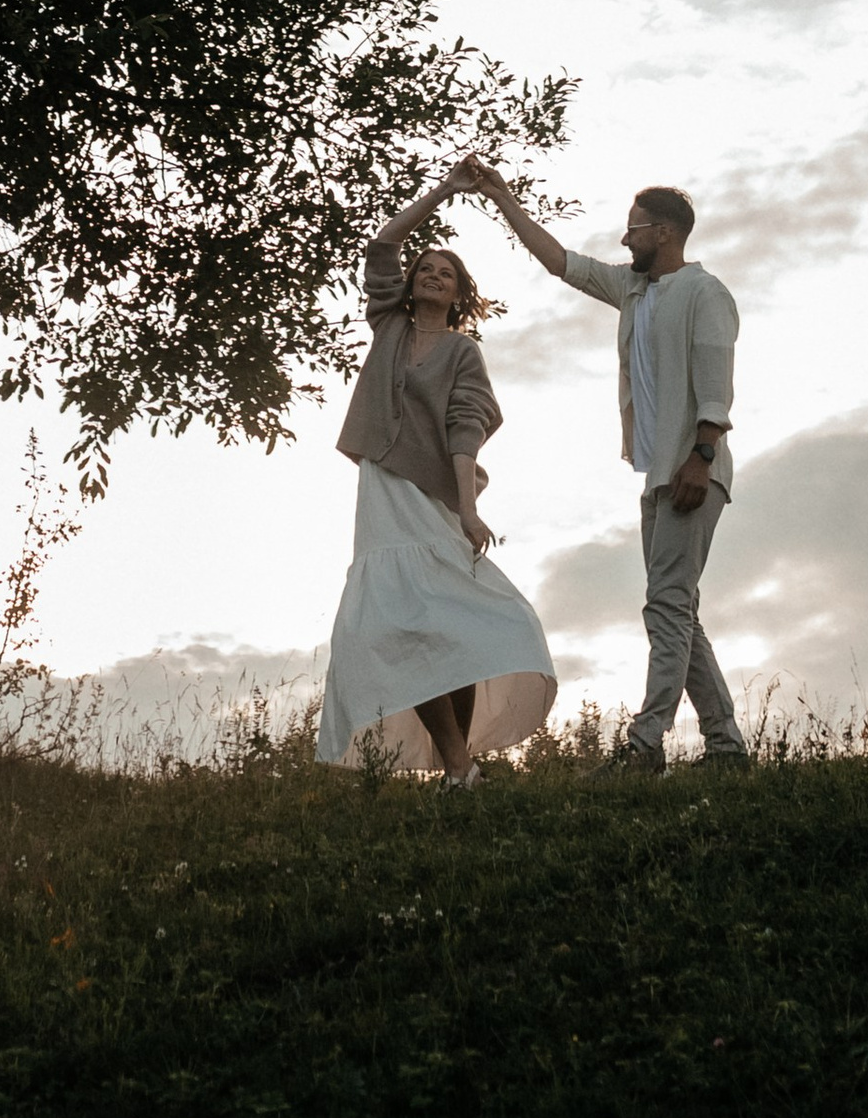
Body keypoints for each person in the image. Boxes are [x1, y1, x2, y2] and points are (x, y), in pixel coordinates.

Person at [458, 158, 747, 775]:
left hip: (693, 471)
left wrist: (700, 458)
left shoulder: (705, 294)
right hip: (661, 472)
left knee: (667, 605)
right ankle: (725, 748)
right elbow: (558, 261)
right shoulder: (634, 290)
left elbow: (717, 390)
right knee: (676, 609)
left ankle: (645, 745)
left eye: (634, 228)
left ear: (664, 233)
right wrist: (501, 195)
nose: (625, 238)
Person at [316, 169, 559, 784]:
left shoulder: (462, 351)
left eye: (444, 274)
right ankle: (459, 767)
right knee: (399, 622)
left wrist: (468, 509)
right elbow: (381, 247)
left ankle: (458, 771)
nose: (430, 274)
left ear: (458, 296)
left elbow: (464, 428)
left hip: (436, 495)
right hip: (382, 489)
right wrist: (445, 191)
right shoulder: (389, 327)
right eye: (425, 268)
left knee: (454, 624)